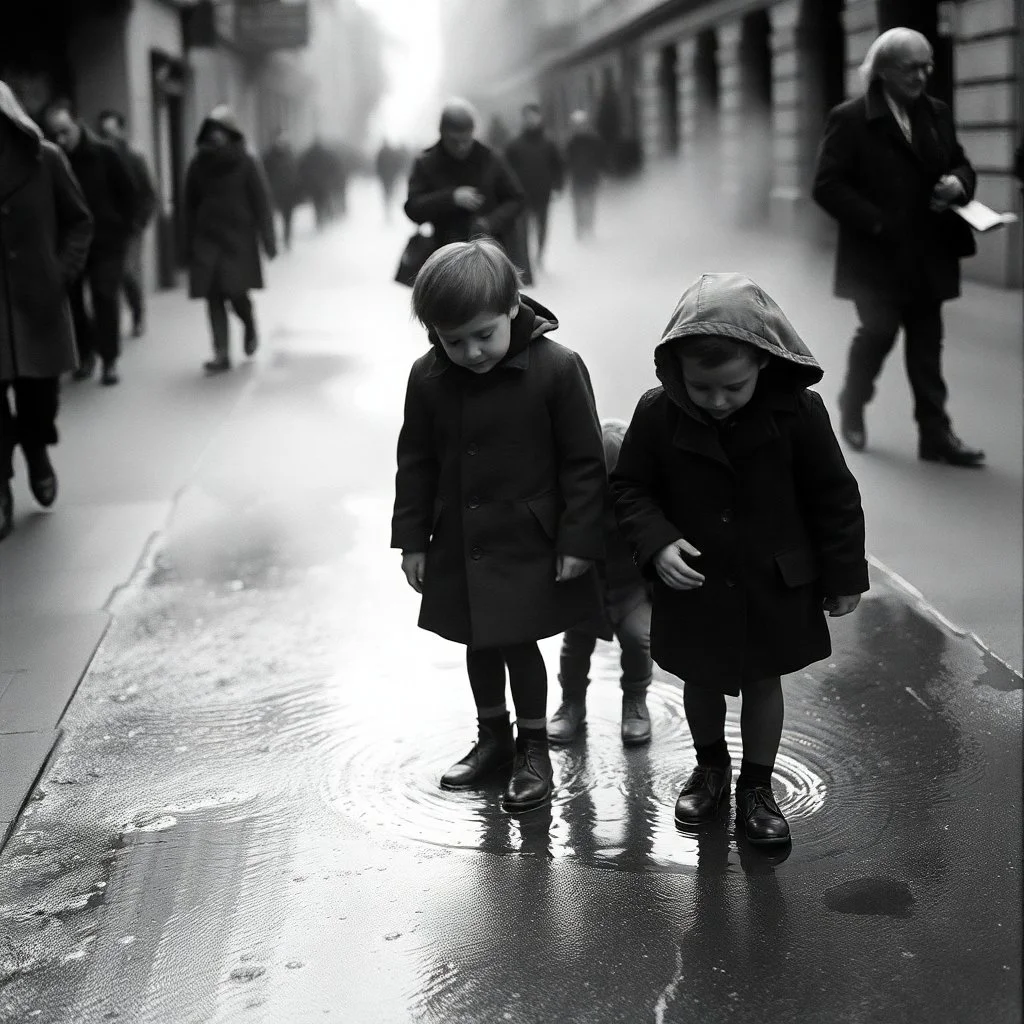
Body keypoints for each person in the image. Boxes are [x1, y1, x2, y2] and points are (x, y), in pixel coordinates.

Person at [610, 273, 868, 847]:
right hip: (694, 581)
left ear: (764, 363)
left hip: (770, 580)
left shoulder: (799, 412)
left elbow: (833, 495)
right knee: (699, 677)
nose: (717, 400)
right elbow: (630, 488)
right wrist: (658, 541)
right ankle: (710, 770)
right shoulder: (657, 412)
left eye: (733, 386)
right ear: (676, 370)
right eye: (701, 387)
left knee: (762, 679)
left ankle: (757, 788)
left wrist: (845, 575)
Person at [391, 239, 606, 813]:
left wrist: (578, 539)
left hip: (529, 538)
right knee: (476, 640)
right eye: (452, 340)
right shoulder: (428, 377)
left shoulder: (557, 368)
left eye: (484, 334)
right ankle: (493, 739)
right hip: (461, 537)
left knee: (518, 641)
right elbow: (416, 462)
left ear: (513, 306)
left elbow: (584, 463)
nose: (471, 352)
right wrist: (412, 541)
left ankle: (533, 750)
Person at [812, 27, 984, 468]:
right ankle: (853, 401)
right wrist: (878, 222)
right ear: (883, 70)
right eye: (911, 68)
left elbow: (961, 163)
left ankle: (936, 435)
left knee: (927, 348)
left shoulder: (937, 113)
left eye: (928, 66)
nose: (922, 76)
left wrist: (958, 183)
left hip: (929, 252)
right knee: (879, 332)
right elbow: (827, 185)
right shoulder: (850, 118)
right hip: (876, 258)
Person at [0, 81, 92, 541]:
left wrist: (60, 273)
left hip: (38, 300)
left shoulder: (47, 160)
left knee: (40, 399)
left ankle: (37, 450)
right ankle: (0, 486)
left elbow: (79, 221)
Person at [548, 418, 653, 747]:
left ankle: (635, 700)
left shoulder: (643, 497)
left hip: (631, 588)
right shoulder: (573, 499)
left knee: (638, 638)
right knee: (575, 643)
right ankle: (572, 702)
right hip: (586, 585)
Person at [44, 98, 138, 386]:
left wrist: (123, 229)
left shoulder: (105, 153)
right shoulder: (52, 159)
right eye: (55, 134)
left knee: (104, 297)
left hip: (107, 241)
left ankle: (109, 360)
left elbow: (129, 193)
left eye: (65, 131)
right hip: (71, 244)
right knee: (73, 303)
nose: (61, 139)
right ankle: (85, 356)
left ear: (77, 123)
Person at [183, 106, 276, 374]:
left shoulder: (246, 161)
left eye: (221, 130)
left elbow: (261, 202)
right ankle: (221, 353)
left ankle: (248, 322)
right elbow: (189, 205)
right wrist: (186, 245)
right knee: (213, 297)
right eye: (212, 130)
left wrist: (268, 240)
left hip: (238, 239)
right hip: (207, 240)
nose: (216, 135)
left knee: (236, 293)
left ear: (231, 133)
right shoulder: (198, 164)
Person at [404, 99, 530, 283]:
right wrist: (451, 198)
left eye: (466, 140)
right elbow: (413, 208)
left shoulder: (490, 159)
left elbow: (517, 199)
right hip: (444, 257)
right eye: (454, 141)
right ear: (442, 133)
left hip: (488, 256)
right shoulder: (427, 163)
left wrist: (490, 222)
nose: (461, 147)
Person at [97, 109, 157, 338]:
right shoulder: (98, 159)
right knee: (106, 277)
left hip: (130, 228)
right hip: (106, 229)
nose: (109, 137)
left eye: (112, 131)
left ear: (121, 130)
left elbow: (149, 194)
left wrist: (139, 222)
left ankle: (138, 313)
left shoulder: (133, 158)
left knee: (128, 272)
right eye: (105, 133)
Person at [504, 103, 564, 272]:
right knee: (523, 232)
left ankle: (540, 256)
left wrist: (558, 186)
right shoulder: (514, 145)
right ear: (523, 119)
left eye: (534, 116)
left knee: (542, 228)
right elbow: (506, 170)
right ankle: (526, 261)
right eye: (527, 116)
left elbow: (558, 166)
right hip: (521, 196)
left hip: (543, 193)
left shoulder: (549, 143)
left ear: (540, 118)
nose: (531, 120)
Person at [565, 109, 605, 240]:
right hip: (577, 179)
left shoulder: (594, 141)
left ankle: (589, 228)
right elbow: (567, 161)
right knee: (578, 205)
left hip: (591, 177)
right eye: (577, 125)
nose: (580, 127)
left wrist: (601, 174)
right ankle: (580, 229)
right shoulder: (571, 142)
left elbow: (600, 159)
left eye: (581, 124)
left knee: (590, 204)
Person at [261, 128, 301, 251]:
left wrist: (297, 189)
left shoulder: (290, 153)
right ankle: (272, 240)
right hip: (274, 192)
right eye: (278, 138)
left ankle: (287, 238)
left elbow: (296, 172)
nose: (280, 140)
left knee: (288, 217)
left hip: (289, 191)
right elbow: (264, 173)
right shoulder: (268, 156)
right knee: (271, 217)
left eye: (282, 137)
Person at [299, 138, 336, 230]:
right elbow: (332, 166)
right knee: (324, 201)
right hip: (323, 183)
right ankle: (325, 217)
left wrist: (306, 180)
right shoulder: (325, 154)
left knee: (317, 204)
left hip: (314, 184)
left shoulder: (309, 154)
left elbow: (302, 167)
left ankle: (319, 220)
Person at [375, 139, 404, 221]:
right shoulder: (391, 153)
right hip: (390, 177)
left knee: (386, 194)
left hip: (385, 177)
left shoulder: (381, 152)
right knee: (390, 193)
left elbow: (378, 165)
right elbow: (396, 164)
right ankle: (389, 211)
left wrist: (380, 174)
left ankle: (387, 211)